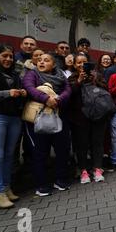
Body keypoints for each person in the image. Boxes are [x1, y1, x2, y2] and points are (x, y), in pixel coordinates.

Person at [23, 53, 72, 196]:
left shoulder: (61, 76)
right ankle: (41, 185)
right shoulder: (32, 74)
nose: (42, 62)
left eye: (46, 60)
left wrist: (58, 99)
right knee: (40, 152)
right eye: (39, 60)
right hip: (37, 119)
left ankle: (60, 180)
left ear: (54, 64)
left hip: (58, 117)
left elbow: (67, 90)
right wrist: (45, 98)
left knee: (62, 150)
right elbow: (29, 88)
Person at [0, 44, 26, 208]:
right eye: (4, 56)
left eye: (10, 56)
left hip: (14, 117)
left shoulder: (15, 74)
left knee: (8, 155)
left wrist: (22, 92)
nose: (8, 59)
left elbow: (19, 91)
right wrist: (7, 93)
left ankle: (6, 188)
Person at [68, 55, 109, 184]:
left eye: (84, 62)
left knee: (97, 143)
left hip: (98, 116)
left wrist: (94, 80)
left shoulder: (97, 75)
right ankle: (84, 170)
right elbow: (69, 94)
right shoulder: (72, 78)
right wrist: (79, 81)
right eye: (78, 63)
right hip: (79, 118)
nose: (81, 65)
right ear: (74, 65)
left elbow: (105, 89)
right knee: (82, 145)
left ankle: (97, 169)